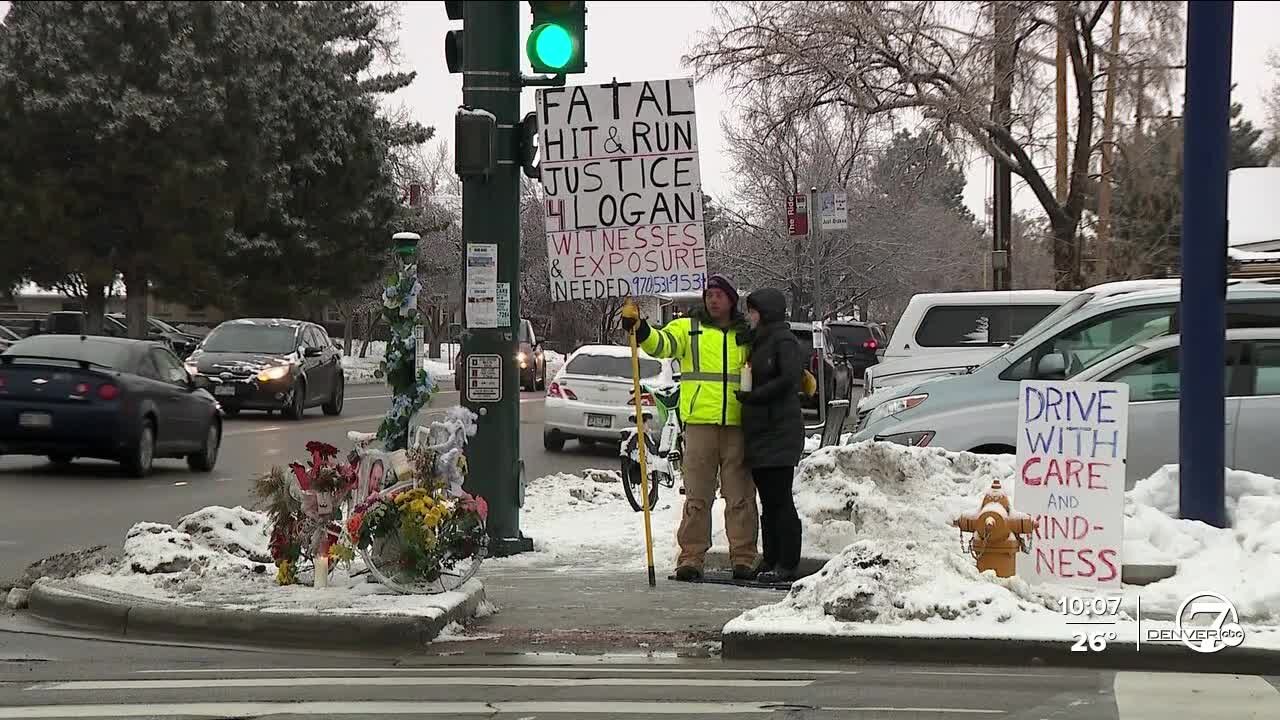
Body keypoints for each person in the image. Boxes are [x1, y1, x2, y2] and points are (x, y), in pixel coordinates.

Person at [620, 275, 758, 581]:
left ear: (732, 300)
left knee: (740, 497)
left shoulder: (746, 335)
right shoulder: (688, 329)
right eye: (709, 294)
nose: (713, 300)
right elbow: (660, 344)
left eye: (720, 295)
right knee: (698, 496)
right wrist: (640, 328)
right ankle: (691, 558)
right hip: (699, 426)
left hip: (737, 426)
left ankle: (744, 558)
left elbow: (768, 361)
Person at [736, 288, 805, 583]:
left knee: (780, 500)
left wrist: (755, 396)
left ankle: (787, 562)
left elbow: (789, 379)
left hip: (779, 431)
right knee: (768, 501)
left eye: (753, 311)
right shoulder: (760, 341)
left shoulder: (783, 341)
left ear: (766, 312)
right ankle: (771, 556)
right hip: (761, 432)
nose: (749, 316)